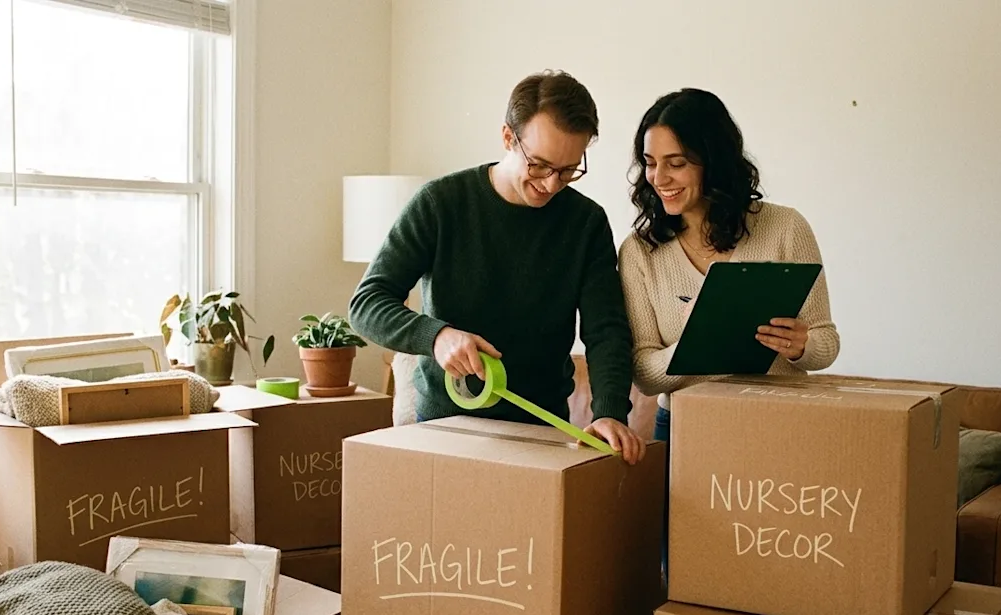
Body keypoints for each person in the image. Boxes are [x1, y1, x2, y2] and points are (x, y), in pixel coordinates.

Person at [349, 70, 646, 465]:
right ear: (508, 137)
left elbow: (606, 330)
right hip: (445, 427)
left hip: (540, 432)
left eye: (569, 169)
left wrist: (609, 412)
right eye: (539, 165)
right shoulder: (441, 204)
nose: (552, 184)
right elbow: (367, 303)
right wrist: (436, 337)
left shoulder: (585, 222)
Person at [618, 87, 840, 443]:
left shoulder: (786, 228)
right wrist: (698, 347)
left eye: (676, 164)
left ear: (715, 162)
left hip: (781, 423)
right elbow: (643, 373)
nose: (659, 178)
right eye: (650, 162)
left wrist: (801, 346)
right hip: (685, 427)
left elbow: (826, 343)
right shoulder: (639, 251)